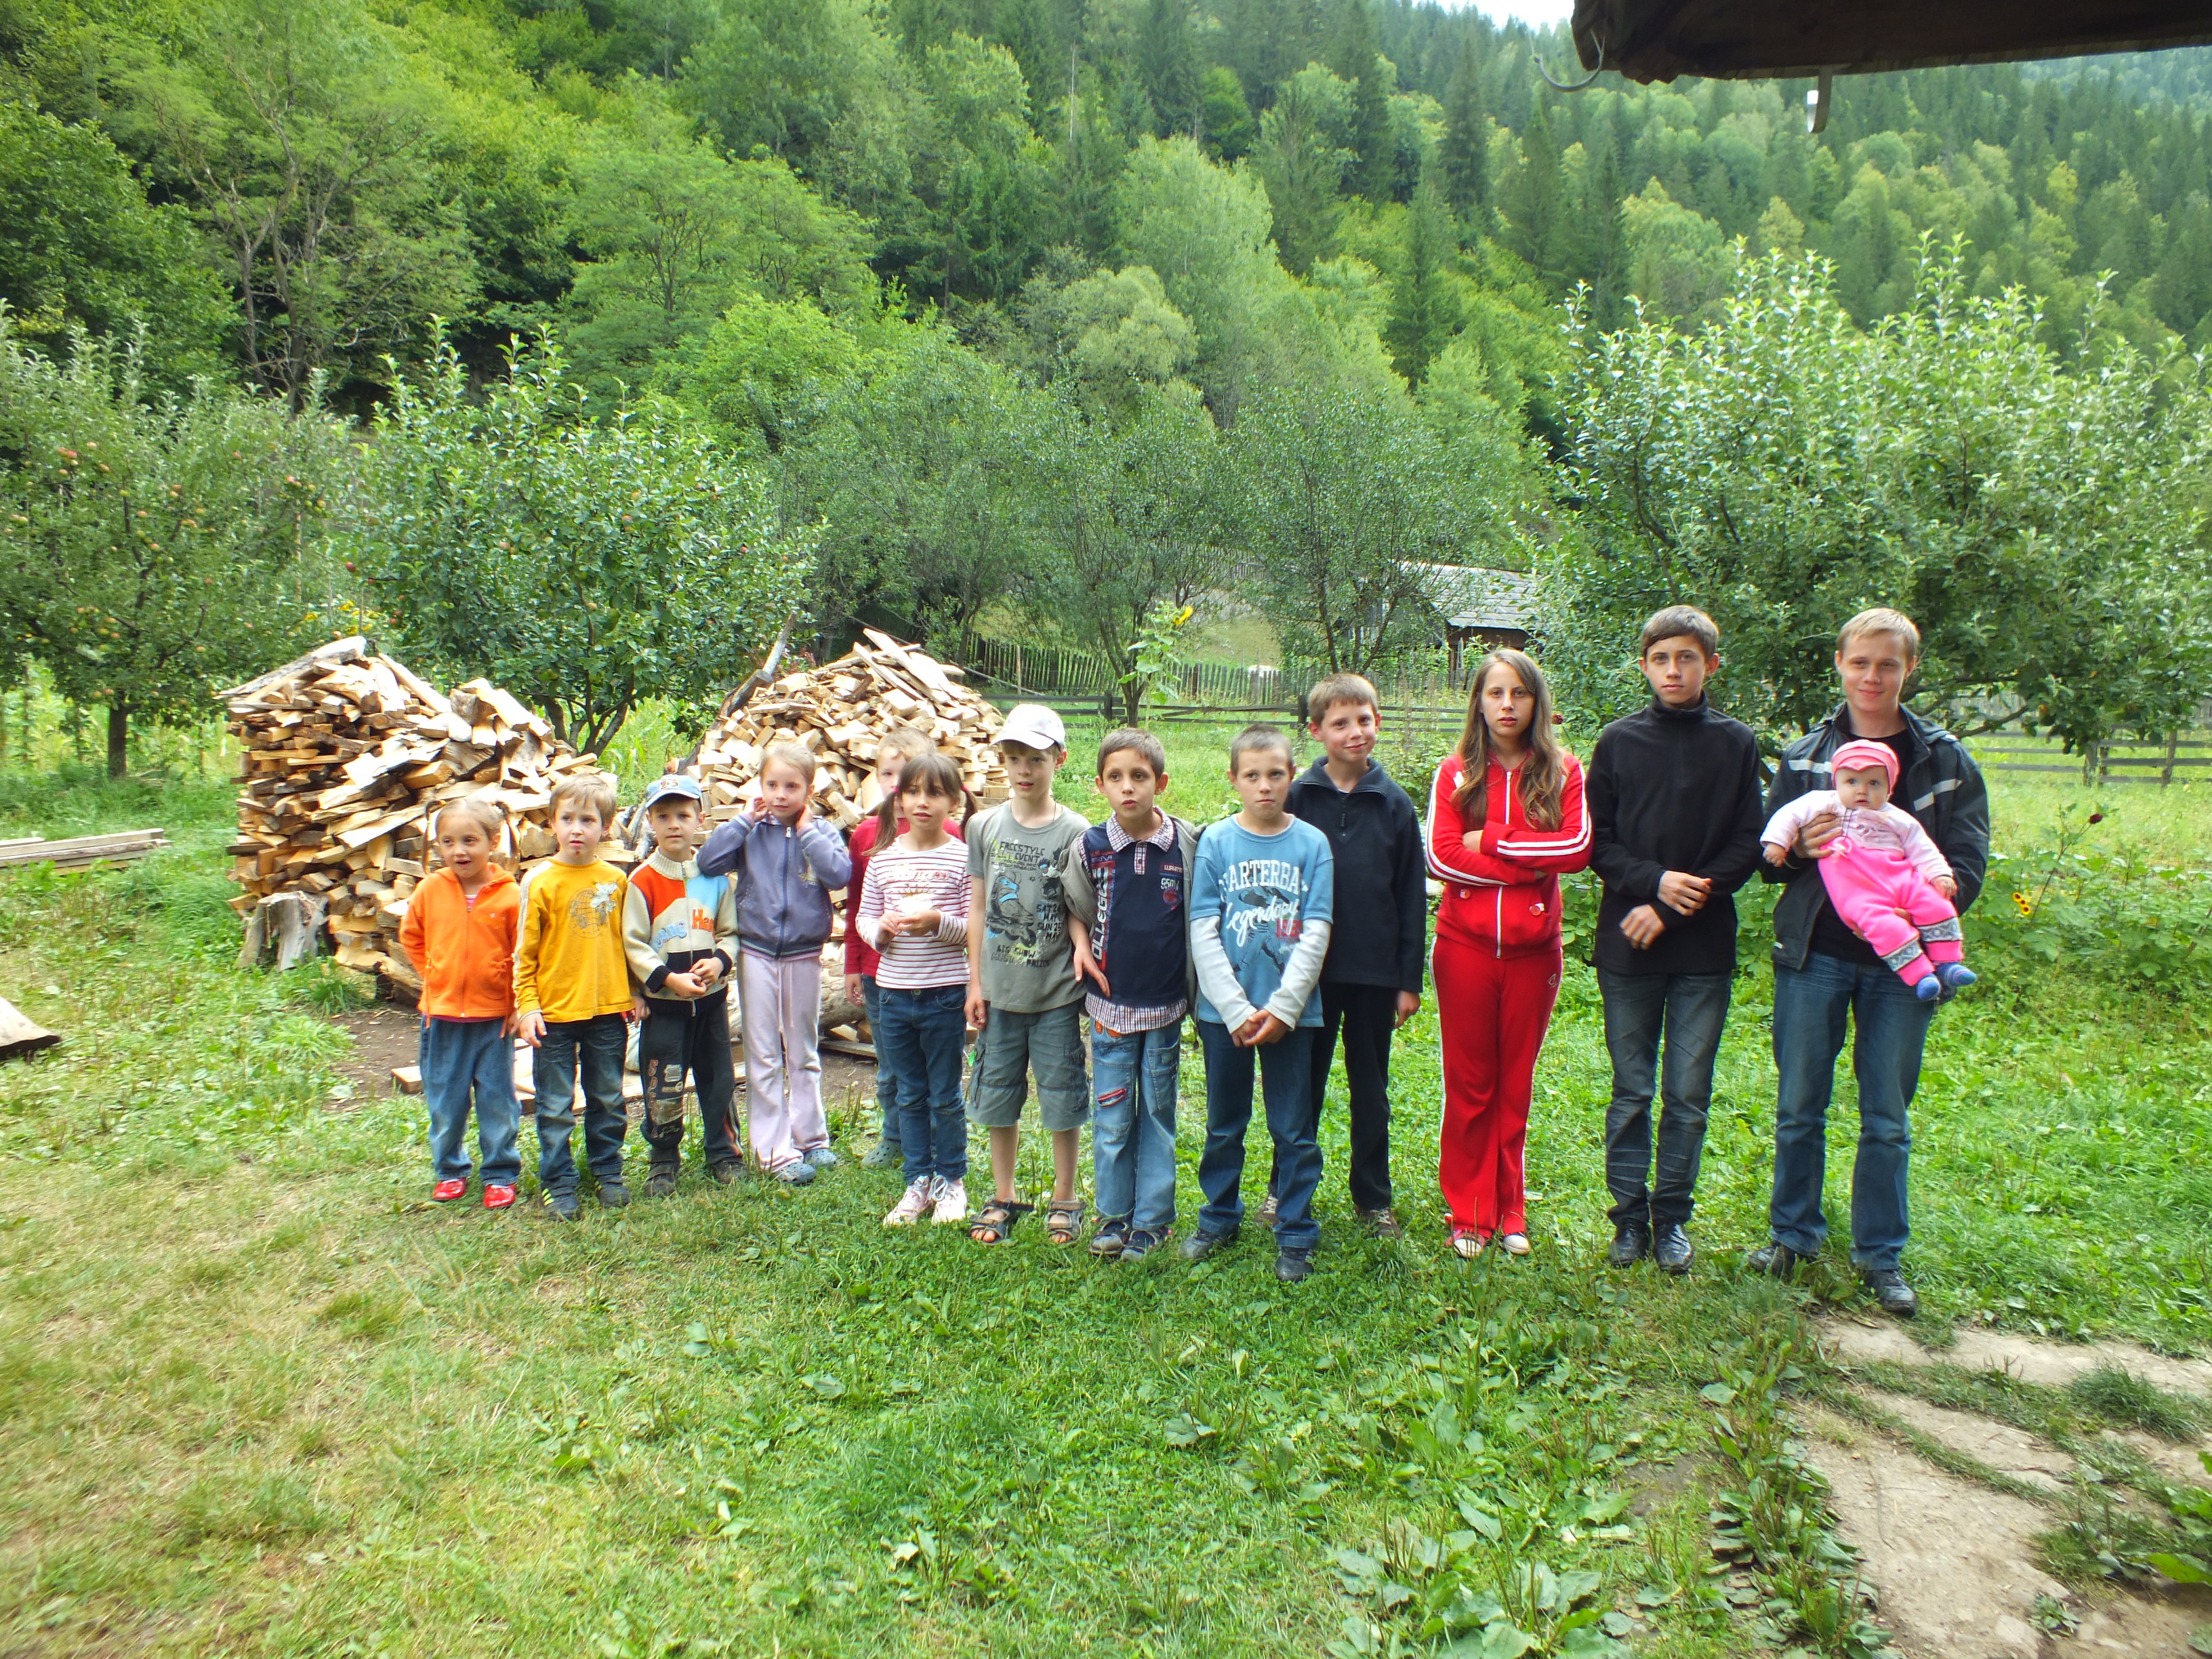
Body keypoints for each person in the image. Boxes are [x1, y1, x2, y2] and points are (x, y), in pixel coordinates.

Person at [1750, 609, 1989, 1317]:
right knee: (1800, 1106)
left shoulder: (1943, 759)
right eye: (1860, 662)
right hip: (1815, 954)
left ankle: (1881, 1254)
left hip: (1902, 966)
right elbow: (1767, 860)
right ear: (1840, 664)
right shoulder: (1804, 758)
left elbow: (1966, 859)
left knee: (1887, 1115)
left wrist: (1923, 909)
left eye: (1888, 665)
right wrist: (1798, 851)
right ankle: (1793, 1236)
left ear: (1909, 669)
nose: (1872, 677)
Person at [1585, 608, 1765, 1275]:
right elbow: (1598, 843)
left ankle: (1673, 1221)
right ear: (1644, 666)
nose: (1673, 670)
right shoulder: (1618, 742)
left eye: (1687, 658)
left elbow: (1747, 844)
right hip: (1628, 946)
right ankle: (1629, 1220)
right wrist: (1654, 883)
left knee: (1688, 1093)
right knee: (1632, 1089)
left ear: (1710, 664)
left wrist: (1673, 907)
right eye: (1661, 659)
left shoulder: (1736, 744)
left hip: (1702, 949)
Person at [1425, 649, 1590, 1259]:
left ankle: (1510, 1208)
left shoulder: (1564, 771)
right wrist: (1526, 868)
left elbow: (1575, 848)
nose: (1507, 705)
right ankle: (1470, 1212)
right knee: (1470, 1084)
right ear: (1479, 702)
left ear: (1536, 702)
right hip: (1463, 948)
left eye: (1519, 693)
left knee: (1515, 1084)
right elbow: (1441, 856)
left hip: (1534, 955)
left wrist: (1491, 842)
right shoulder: (1455, 773)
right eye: (1495, 693)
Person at [1181, 725, 1335, 1284]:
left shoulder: (1312, 845)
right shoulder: (1217, 842)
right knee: (1225, 1123)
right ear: (1234, 779)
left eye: (1275, 774)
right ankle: (1219, 1217)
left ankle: (1295, 1232)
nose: (1264, 786)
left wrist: (1284, 1008)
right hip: (1224, 1015)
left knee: (1294, 1128)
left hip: (1293, 1016)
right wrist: (1235, 1008)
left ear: (1292, 776)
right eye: (1252, 776)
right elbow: (1203, 929)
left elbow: (1317, 931)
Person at [1280, 673, 1425, 1240]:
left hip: (1373, 975)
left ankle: (1373, 1198)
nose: (1354, 731)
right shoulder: (1297, 798)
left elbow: (1410, 896)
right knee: (1303, 1088)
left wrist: (1407, 980)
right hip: (1307, 975)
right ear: (1316, 730)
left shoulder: (1395, 804)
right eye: (1340, 723)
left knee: (1371, 1090)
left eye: (1363, 720)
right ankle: (1285, 1188)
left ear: (1378, 722)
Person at [1061, 729, 1198, 1261]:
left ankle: (1153, 1221)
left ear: (1160, 783)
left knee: (1158, 1115)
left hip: (1164, 1007)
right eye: (1115, 777)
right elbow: (1075, 905)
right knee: (1113, 1117)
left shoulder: (1185, 844)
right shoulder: (1090, 846)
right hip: (1109, 1007)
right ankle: (1113, 1216)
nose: (1127, 787)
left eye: (1139, 777)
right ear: (1099, 785)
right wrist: (1081, 947)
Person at [963, 705, 1090, 1247]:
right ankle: (1004, 1193)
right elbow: (977, 907)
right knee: (997, 1093)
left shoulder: (1077, 831)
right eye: (1014, 758)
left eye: (1035, 759)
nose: (1023, 769)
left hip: (1055, 990)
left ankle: (1066, 1196)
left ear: (1058, 760)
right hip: (999, 992)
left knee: (1062, 1094)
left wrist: (1081, 952)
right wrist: (975, 983)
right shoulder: (984, 826)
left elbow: (1079, 907)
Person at [699, 743, 853, 1185]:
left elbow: (839, 875)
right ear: (760, 786)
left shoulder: (821, 831)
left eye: (792, 786)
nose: (781, 795)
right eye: (772, 785)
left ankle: (812, 1138)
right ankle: (772, 1151)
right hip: (757, 953)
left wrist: (806, 833)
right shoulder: (751, 830)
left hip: (804, 953)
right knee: (764, 1052)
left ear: (809, 790)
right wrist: (743, 821)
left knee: (803, 1049)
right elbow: (708, 862)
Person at [856, 752, 977, 1227]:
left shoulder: (962, 857)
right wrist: (880, 933)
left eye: (935, 792)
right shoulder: (883, 859)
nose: (923, 802)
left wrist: (937, 923)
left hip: (944, 993)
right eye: (913, 792)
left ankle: (952, 1181)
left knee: (944, 1094)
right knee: (908, 1093)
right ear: (899, 800)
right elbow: (865, 917)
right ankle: (918, 1181)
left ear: (954, 801)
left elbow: (974, 927)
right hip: (893, 994)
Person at [1761, 741, 1975, 1001]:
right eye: (1851, 781)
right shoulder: (1823, 803)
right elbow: (1788, 816)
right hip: (1858, 891)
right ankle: (1920, 975)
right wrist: (1778, 843)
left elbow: (1923, 849)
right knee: (1884, 926)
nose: (1862, 790)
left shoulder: (1897, 817)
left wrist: (1940, 874)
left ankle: (1948, 962)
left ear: (1889, 789)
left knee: (1936, 904)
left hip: (1901, 878)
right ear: (1836, 783)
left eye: (1874, 783)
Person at [515, 774, 639, 1222]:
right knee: (554, 1105)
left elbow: (629, 943)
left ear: (606, 827)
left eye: (588, 820)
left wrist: (636, 992)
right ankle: (558, 1181)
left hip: (608, 1011)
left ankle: (607, 1171)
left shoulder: (616, 881)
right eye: (567, 818)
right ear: (552, 823)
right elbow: (524, 953)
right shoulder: (539, 881)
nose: (577, 829)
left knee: (607, 1098)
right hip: (554, 1014)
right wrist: (527, 1006)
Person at [843, 730, 962, 1170]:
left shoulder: (954, 841)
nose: (902, 790)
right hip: (883, 973)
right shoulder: (869, 839)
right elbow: (858, 908)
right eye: (891, 777)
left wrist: (939, 924)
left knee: (937, 1074)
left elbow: (972, 917)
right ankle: (897, 1139)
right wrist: (857, 957)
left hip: (939, 980)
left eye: (923, 785)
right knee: (893, 1067)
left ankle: (939, 1149)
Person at [396, 798, 523, 1210]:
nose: (459, 851)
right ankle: (450, 1169)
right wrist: (432, 973)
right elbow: (411, 936)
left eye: (470, 840)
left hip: (493, 1021)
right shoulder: (430, 890)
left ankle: (500, 1173)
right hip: (442, 1018)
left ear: (493, 841)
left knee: (497, 1100)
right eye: (448, 842)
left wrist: (515, 1003)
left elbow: (523, 952)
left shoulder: (510, 896)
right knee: (445, 1101)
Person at [620, 775, 741, 1197]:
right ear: (650, 821)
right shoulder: (642, 882)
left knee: (719, 1079)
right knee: (663, 1083)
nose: (674, 824)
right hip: (665, 1007)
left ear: (699, 820)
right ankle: (663, 1159)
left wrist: (720, 961)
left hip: (710, 1003)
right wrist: (668, 979)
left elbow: (731, 932)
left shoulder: (716, 879)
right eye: (664, 816)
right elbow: (633, 944)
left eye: (683, 815)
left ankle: (724, 1152)